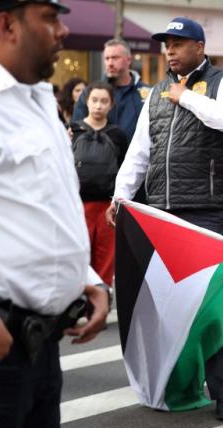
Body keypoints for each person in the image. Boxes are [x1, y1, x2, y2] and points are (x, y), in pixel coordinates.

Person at [0, 1, 111, 428]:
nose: (64, 29)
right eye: (49, 18)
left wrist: (87, 277)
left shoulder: (35, 98)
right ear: (8, 22)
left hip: (39, 350)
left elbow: (47, 204)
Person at [106, 16, 223, 421]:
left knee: (213, 306)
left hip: (208, 207)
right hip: (164, 208)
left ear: (199, 47)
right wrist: (121, 194)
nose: (170, 49)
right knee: (171, 305)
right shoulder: (158, 92)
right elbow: (140, 150)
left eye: (178, 43)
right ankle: (176, 385)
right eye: (166, 43)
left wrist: (185, 97)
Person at [71, 81, 129, 287]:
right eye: (94, 100)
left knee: (105, 264)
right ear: (86, 101)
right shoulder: (72, 131)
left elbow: (126, 170)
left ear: (111, 105)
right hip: (78, 207)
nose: (98, 106)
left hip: (108, 208)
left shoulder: (119, 135)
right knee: (79, 261)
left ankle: (100, 308)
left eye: (104, 101)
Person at [72, 38, 149, 141]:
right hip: (101, 155)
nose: (110, 63)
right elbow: (77, 128)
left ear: (129, 60)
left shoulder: (147, 93)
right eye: (107, 58)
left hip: (137, 156)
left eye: (115, 58)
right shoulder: (91, 92)